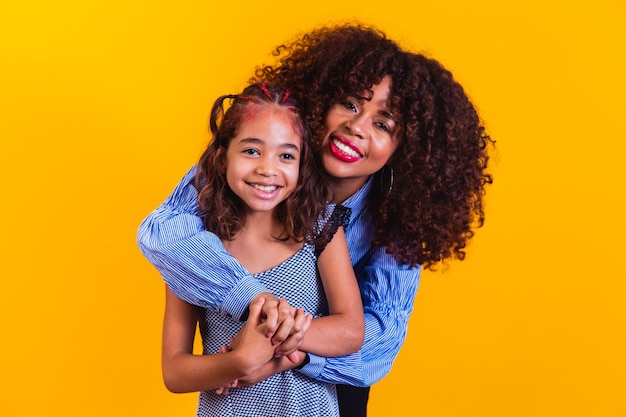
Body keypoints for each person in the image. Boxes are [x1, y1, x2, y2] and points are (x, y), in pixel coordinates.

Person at [138, 23, 494, 417]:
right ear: (320, 100)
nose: (357, 128)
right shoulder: (251, 160)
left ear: (405, 148)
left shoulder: (381, 222)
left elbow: (380, 339)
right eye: (351, 104)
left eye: (382, 124)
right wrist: (254, 309)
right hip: (232, 389)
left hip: (327, 387)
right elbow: (164, 234)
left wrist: (280, 353)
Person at [159, 82, 365, 417]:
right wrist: (238, 361)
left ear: (302, 167)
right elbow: (174, 371)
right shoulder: (194, 246)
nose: (268, 169)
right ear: (222, 158)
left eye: (286, 155)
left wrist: (277, 337)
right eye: (252, 150)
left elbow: (351, 331)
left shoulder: (319, 227)